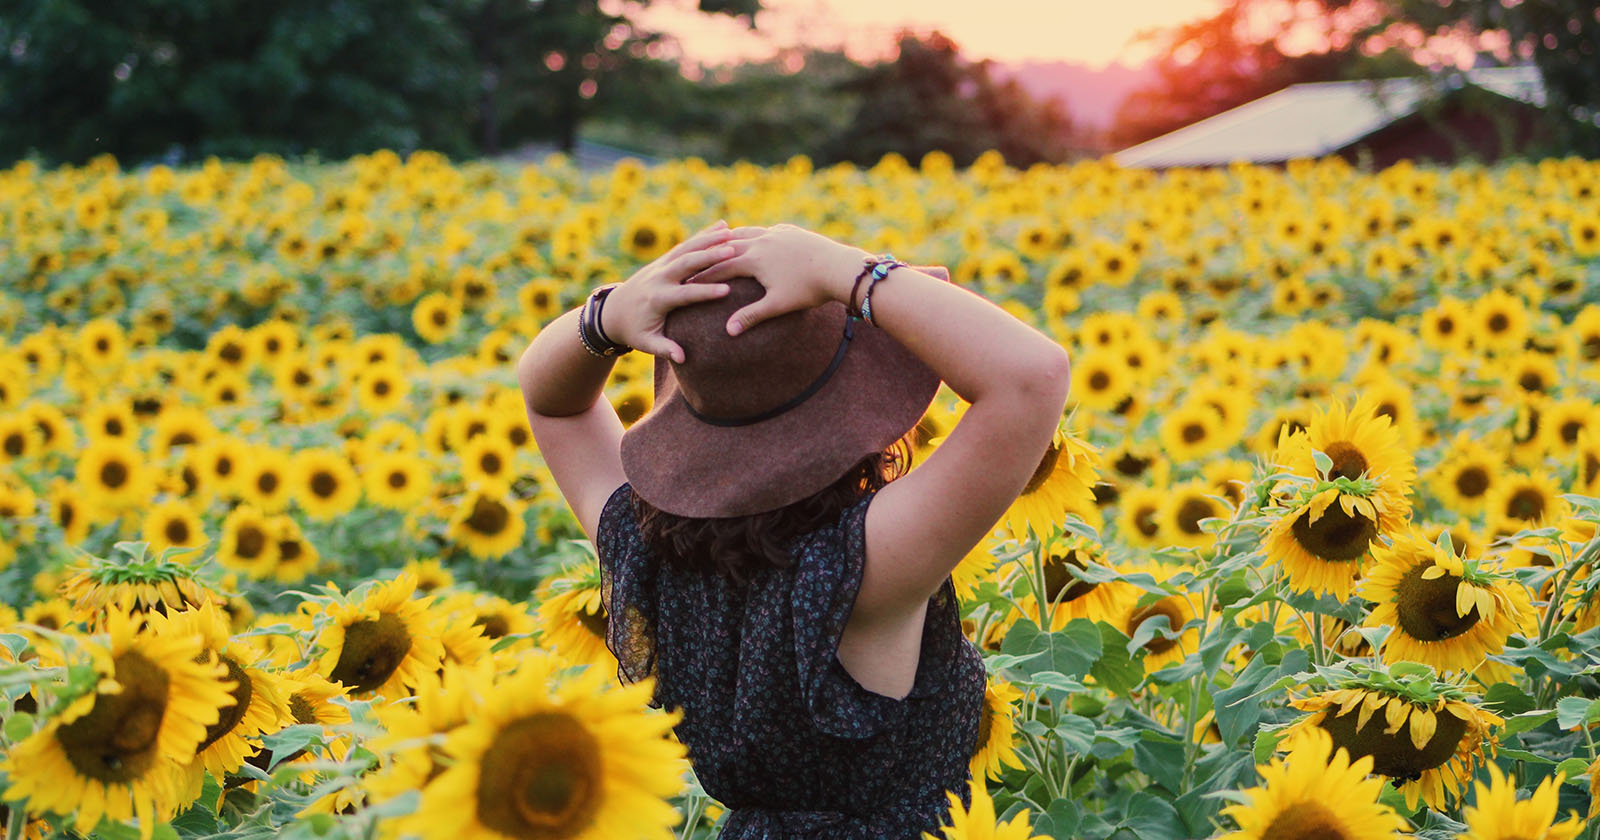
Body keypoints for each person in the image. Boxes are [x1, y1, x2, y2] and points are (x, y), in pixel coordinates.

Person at [517, 220, 1072, 839]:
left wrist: (606, 315)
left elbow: (551, 402)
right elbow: (1032, 377)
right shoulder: (862, 563)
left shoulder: (642, 544)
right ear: (854, 408)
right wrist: (849, 273)